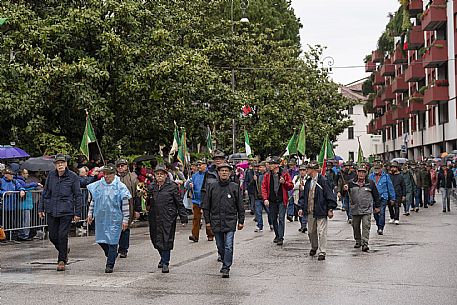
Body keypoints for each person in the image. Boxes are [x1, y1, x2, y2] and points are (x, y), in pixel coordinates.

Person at [38, 154, 82, 271]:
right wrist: (41, 208)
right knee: (52, 236)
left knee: (62, 235)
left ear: (66, 164)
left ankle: (61, 260)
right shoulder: (51, 176)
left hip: (66, 211)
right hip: (52, 210)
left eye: (62, 163)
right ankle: (64, 250)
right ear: (55, 165)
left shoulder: (73, 177)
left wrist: (77, 213)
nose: (60, 165)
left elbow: (78, 195)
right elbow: (45, 193)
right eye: (58, 163)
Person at [202, 163, 245, 278]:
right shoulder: (212, 186)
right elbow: (206, 206)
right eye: (222, 171)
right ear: (218, 173)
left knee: (228, 245)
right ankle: (223, 257)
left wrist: (241, 221)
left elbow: (240, 205)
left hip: (230, 220)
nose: (224, 172)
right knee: (220, 245)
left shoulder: (234, 187)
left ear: (230, 173)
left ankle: (226, 267)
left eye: (226, 171)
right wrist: (207, 222)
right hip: (216, 221)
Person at [86, 164, 131, 273]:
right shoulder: (98, 186)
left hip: (115, 219)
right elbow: (94, 200)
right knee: (101, 240)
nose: (106, 176)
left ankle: (109, 264)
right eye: (104, 174)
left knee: (113, 241)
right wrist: (90, 213)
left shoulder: (120, 187)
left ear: (113, 174)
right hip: (101, 219)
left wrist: (125, 219)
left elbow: (125, 205)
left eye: (108, 174)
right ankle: (111, 254)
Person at [147, 164, 188, 273]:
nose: (159, 176)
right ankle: (162, 256)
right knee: (155, 239)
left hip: (168, 217)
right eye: (157, 174)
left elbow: (179, 202)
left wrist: (183, 217)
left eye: (162, 174)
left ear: (166, 175)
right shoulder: (151, 187)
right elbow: (148, 202)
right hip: (154, 216)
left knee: (166, 239)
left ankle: (166, 262)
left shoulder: (172, 186)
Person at [298, 161, 337, 261]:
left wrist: (330, 208)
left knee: (321, 232)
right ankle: (314, 247)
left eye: (308, 169)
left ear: (314, 170)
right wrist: (301, 207)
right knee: (311, 232)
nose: (306, 170)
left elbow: (329, 195)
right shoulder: (308, 182)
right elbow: (303, 196)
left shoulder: (323, 181)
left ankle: (322, 251)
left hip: (321, 210)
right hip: (310, 211)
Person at [346, 166, 380, 252]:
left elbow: (376, 195)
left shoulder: (370, 183)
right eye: (360, 172)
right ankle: (358, 240)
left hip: (366, 209)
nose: (361, 174)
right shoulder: (351, 183)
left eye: (363, 172)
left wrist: (377, 206)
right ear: (357, 172)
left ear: (366, 173)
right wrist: (343, 189)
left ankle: (365, 243)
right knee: (355, 226)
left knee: (366, 226)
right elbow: (344, 194)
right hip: (355, 209)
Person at [261, 156, 293, 246]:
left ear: (276, 165)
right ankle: (277, 235)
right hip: (272, 200)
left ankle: (281, 237)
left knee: (281, 218)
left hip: (282, 200)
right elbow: (263, 187)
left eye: (271, 164)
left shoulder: (284, 174)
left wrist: (284, 183)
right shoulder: (267, 175)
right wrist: (265, 198)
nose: (269, 165)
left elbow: (291, 186)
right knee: (273, 218)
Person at [115, 158, 141, 258]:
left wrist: (137, 209)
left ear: (126, 166)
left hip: (129, 205)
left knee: (125, 227)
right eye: (118, 166)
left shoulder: (133, 178)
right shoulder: (113, 178)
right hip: (115, 206)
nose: (120, 168)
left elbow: (138, 194)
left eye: (122, 165)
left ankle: (123, 249)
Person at [186, 160, 213, 242]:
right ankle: (195, 235)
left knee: (208, 218)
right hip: (196, 200)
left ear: (205, 165)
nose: (198, 166)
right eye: (197, 165)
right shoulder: (194, 176)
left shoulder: (209, 175)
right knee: (195, 218)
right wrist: (190, 185)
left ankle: (210, 234)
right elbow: (186, 185)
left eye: (200, 165)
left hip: (206, 200)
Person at [368, 161, 395, 235]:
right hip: (373, 197)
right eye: (375, 168)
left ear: (381, 169)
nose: (376, 170)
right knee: (375, 213)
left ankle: (381, 228)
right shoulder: (370, 176)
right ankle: (378, 224)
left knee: (382, 212)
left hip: (383, 197)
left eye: (378, 168)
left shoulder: (386, 177)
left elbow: (390, 188)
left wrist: (392, 198)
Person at [15, 169, 42, 241]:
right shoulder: (19, 181)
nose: (27, 175)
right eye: (26, 173)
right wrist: (35, 184)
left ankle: (24, 234)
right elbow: (25, 186)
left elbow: (27, 187)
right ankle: (24, 235)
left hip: (26, 204)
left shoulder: (21, 181)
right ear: (22, 174)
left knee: (25, 220)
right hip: (24, 204)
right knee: (25, 221)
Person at [0, 168, 25, 234]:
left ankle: (11, 235)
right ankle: (4, 236)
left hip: (13, 206)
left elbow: (20, 187)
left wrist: (22, 190)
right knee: (3, 222)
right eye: (10, 174)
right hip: (3, 206)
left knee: (12, 221)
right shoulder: (1, 181)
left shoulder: (14, 181)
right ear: (5, 175)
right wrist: (4, 193)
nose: (12, 176)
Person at [253, 161, 272, 232]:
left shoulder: (268, 175)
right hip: (258, 197)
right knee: (258, 212)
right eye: (259, 167)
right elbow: (252, 185)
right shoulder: (256, 175)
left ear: (265, 167)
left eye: (261, 167)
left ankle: (271, 223)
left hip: (266, 197)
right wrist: (254, 180)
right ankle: (259, 225)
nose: (259, 168)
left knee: (269, 212)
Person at [293, 164, 308, 233]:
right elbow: (292, 186)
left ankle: (304, 225)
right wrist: (299, 186)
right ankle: (302, 224)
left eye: (303, 170)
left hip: (305, 198)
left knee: (304, 211)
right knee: (299, 211)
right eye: (301, 170)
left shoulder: (308, 178)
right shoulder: (296, 178)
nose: (302, 172)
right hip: (297, 197)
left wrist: (303, 187)